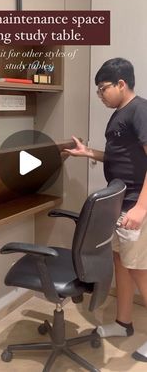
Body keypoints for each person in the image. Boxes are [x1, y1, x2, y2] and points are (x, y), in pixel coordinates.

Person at [63, 57, 147, 362]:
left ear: (121, 84)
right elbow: (121, 156)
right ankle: (123, 322)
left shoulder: (140, 110)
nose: (100, 96)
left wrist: (140, 207)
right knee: (121, 265)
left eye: (103, 89)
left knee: (139, 270)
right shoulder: (119, 114)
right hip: (120, 204)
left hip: (136, 206)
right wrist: (89, 153)